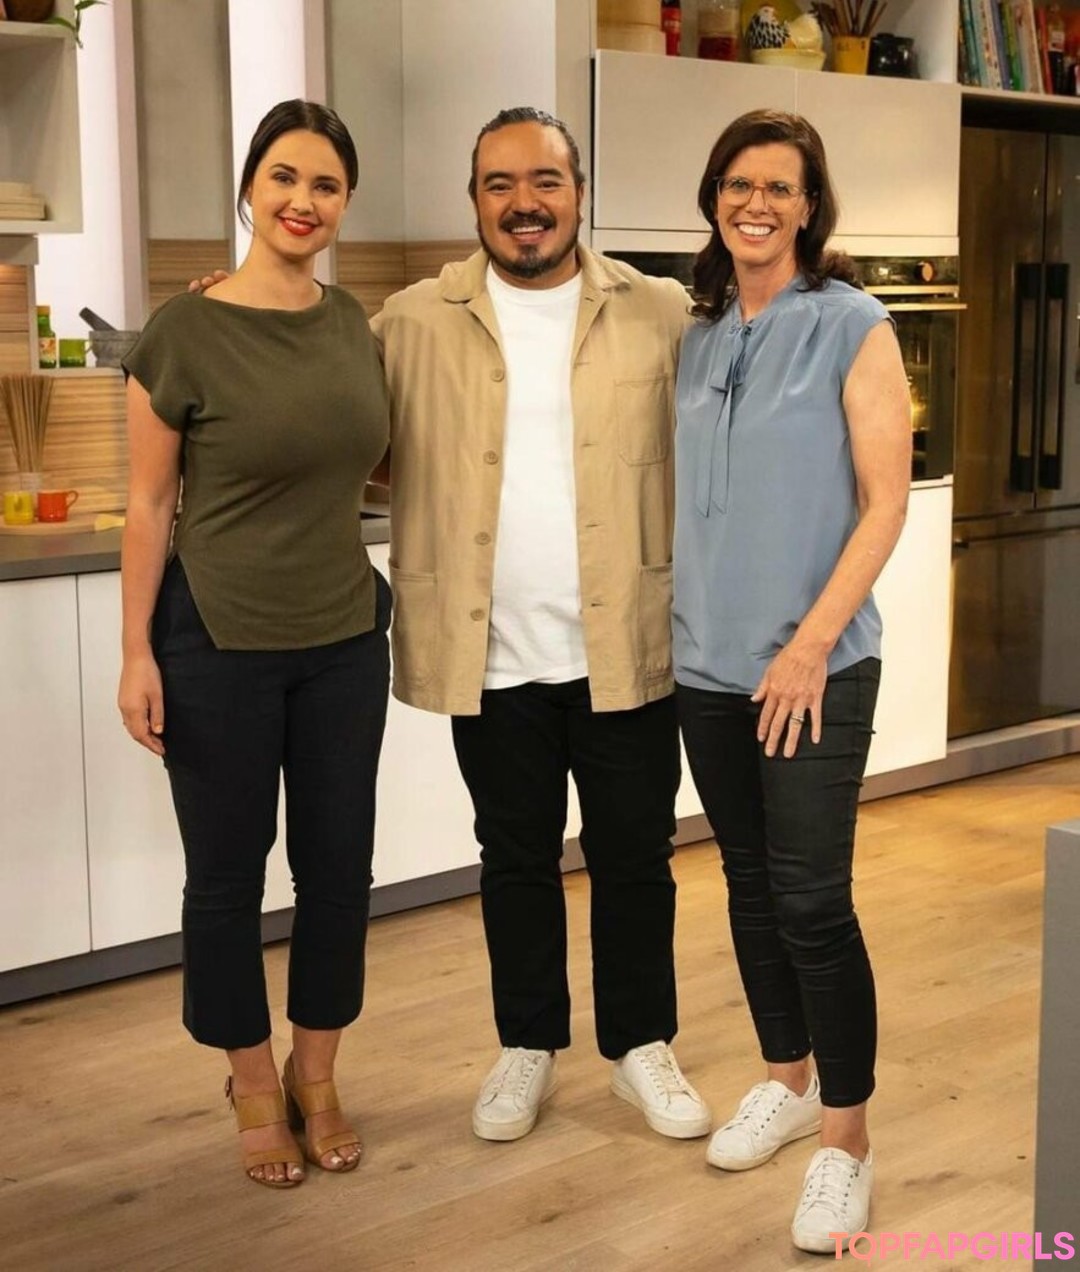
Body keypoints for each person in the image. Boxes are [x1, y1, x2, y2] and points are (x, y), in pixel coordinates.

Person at [370, 106, 711, 1143]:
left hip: (628, 646)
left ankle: (641, 1047)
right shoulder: (411, 320)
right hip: (491, 655)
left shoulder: (659, 311)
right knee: (513, 860)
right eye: (500, 184)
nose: (525, 204)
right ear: (474, 200)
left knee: (636, 858)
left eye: (546, 181)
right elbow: (343, 425)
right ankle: (527, 1045)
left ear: (579, 193)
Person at [119, 99, 391, 1189]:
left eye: (326, 184)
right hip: (215, 641)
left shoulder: (354, 323)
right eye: (284, 176)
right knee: (227, 880)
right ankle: (248, 1082)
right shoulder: (182, 330)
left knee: (339, 873)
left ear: (346, 203)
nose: (302, 201)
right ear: (248, 188)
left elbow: (368, 462)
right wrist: (136, 654)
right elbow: (150, 507)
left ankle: (315, 1075)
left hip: (344, 639)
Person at [671, 110, 910, 1251]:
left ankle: (846, 1143)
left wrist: (810, 643)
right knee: (750, 887)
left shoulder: (854, 323)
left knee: (813, 900)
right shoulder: (698, 333)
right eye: (738, 183)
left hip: (814, 666)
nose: (756, 203)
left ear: (810, 205)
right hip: (706, 664)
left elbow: (885, 502)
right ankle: (789, 1078)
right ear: (714, 198)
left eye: (779, 186)